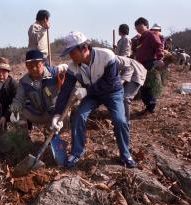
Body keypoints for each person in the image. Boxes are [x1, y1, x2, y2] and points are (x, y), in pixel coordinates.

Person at [51, 31, 136, 168]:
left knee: (119, 120)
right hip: (92, 95)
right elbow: (65, 91)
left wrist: (86, 91)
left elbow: (110, 82)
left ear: (84, 48)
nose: (71, 57)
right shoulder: (73, 66)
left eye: (73, 53)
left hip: (112, 92)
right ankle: (76, 153)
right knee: (78, 115)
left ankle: (125, 155)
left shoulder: (106, 56)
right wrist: (57, 114)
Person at [10, 50, 66, 129]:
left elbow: (71, 73)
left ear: (43, 63)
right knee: (20, 112)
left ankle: (52, 131)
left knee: (57, 127)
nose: (34, 68)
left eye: (37, 64)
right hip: (38, 113)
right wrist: (14, 111)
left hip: (56, 112)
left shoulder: (53, 73)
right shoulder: (24, 82)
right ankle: (25, 137)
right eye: (30, 66)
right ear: (26, 65)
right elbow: (18, 99)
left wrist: (64, 68)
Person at [134, 17, 164, 114]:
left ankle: (151, 107)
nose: (137, 28)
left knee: (148, 87)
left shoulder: (151, 35)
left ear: (146, 25)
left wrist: (160, 59)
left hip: (149, 63)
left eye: (139, 26)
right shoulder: (141, 38)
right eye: (136, 27)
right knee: (143, 87)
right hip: (141, 65)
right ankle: (148, 107)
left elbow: (158, 46)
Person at [115, 56, 147, 123]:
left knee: (125, 98)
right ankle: (119, 117)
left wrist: (121, 81)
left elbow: (130, 69)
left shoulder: (111, 60)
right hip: (128, 72)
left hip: (138, 72)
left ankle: (126, 122)